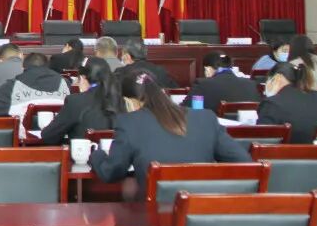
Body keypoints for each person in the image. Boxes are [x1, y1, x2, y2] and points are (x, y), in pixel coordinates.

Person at [89, 67, 251, 198]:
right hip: (203, 213)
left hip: (155, 217)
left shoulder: (129, 123)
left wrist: (97, 154)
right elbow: (244, 162)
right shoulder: (206, 118)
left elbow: (111, 172)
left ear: (129, 102)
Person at [40, 57, 123, 144]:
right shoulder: (119, 99)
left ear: (83, 78)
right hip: (116, 151)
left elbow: (49, 136)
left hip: (83, 152)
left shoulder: (75, 101)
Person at [257, 61, 317, 144]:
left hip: (285, 152)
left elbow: (262, 141)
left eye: (267, 80)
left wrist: (271, 98)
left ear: (277, 78)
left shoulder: (271, 103)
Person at [0, 52, 70, 117]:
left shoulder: (13, 86)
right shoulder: (64, 83)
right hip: (60, 138)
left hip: (23, 138)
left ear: (23, 68)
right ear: (48, 67)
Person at [182, 52, 260, 113]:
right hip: (247, 128)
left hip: (214, 128)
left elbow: (185, 109)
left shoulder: (202, 84)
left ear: (207, 69)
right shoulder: (251, 84)